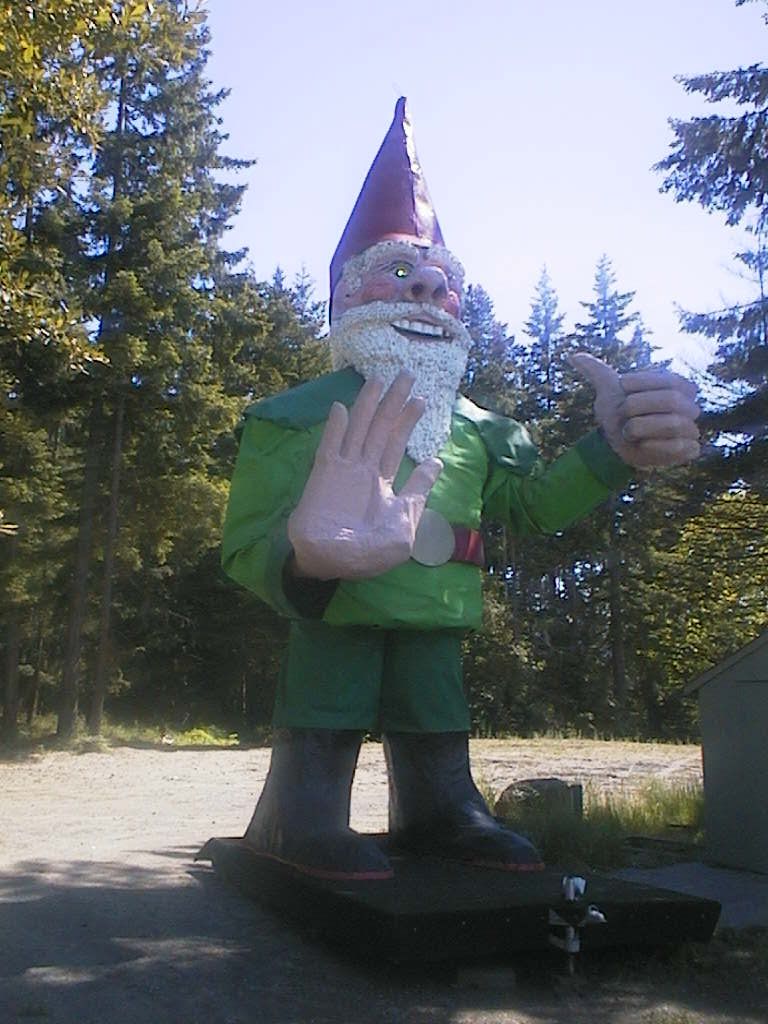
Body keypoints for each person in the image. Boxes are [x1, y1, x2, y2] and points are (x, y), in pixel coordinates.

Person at [221, 98, 701, 881]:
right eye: (398, 273)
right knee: (326, 701)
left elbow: (534, 507)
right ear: (346, 299)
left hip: (438, 613)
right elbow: (244, 543)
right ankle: (298, 813)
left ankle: (441, 810)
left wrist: (611, 452)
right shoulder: (292, 418)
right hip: (335, 610)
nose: (425, 290)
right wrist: (305, 562)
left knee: (434, 710)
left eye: (443, 283)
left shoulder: (481, 429)